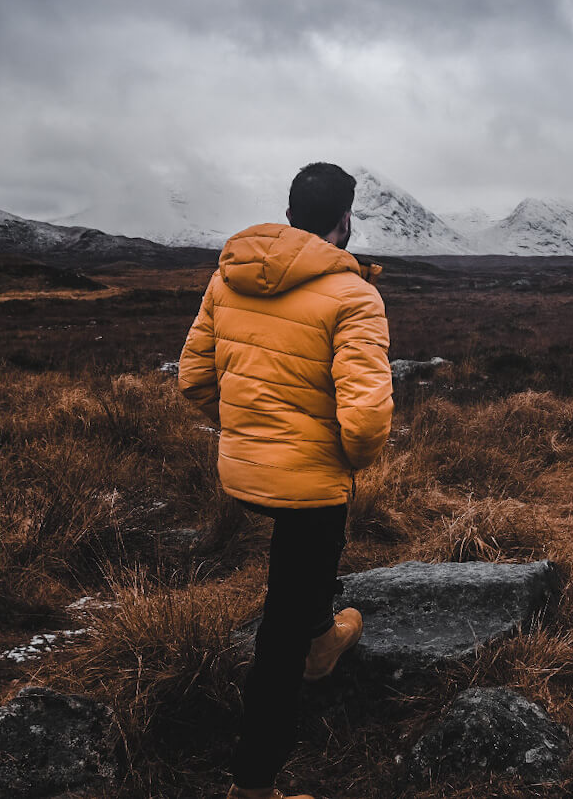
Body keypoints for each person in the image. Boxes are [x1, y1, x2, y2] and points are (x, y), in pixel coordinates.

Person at [177, 162, 393, 799]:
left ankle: (323, 634)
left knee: (304, 554)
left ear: (293, 212)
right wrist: (347, 459)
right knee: (279, 637)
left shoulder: (228, 278)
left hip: (241, 468)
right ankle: (253, 784)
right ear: (343, 219)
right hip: (310, 482)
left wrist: (250, 433)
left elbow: (193, 381)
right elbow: (365, 418)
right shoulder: (355, 295)